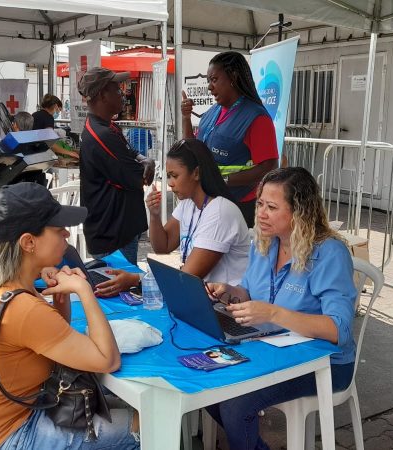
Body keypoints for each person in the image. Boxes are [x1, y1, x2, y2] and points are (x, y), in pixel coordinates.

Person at [0, 182, 139, 450]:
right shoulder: (22, 308)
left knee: (116, 404)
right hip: (6, 438)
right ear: (29, 242)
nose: (67, 236)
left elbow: (52, 343)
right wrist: (84, 291)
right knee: (144, 424)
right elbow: (107, 360)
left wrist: (60, 299)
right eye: (58, 229)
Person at [204, 167, 358, 450]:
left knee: (236, 404)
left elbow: (341, 330)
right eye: (260, 203)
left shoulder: (329, 253)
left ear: (300, 211)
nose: (260, 213)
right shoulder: (264, 244)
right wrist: (229, 291)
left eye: (272, 207)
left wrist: (274, 314)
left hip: (324, 364)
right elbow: (249, 293)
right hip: (271, 351)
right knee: (209, 384)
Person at [94, 139, 250, 297]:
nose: (170, 183)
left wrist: (136, 280)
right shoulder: (188, 203)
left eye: (174, 176)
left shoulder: (220, 212)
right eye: (168, 176)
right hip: (203, 298)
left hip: (226, 308)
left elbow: (188, 277)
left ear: (196, 173)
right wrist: (154, 215)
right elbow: (163, 246)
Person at [181, 51, 279, 227]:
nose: (210, 87)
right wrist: (186, 118)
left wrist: (223, 179)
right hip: (210, 200)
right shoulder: (211, 113)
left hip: (240, 205)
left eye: (214, 80)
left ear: (233, 77)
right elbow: (192, 150)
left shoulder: (257, 118)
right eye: (208, 81)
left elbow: (269, 167)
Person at [78, 67, 155, 264]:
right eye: (117, 89)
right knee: (119, 291)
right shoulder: (102, 135)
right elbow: (139, 178)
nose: (123, 93)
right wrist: (145, 164)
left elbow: (130, 153)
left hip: (118, 230)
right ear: (103, 94)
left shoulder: (107, 126)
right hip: (113, 235)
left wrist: (145, 159)